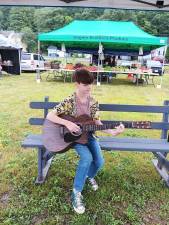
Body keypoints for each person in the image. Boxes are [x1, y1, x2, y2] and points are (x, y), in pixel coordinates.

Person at [46, 68, 125, 214]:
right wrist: (67, 123)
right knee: (87, 158)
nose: (89, 87)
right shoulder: (69, 101)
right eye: (85, 84)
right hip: (74, 138)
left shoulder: (93, 102)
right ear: (77, 84)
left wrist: (113, 131)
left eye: (91, 84)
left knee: (99, 162)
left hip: (89, 136)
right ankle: (76, 192)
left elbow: (98, 123)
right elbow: (50, 116)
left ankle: (87, 176)